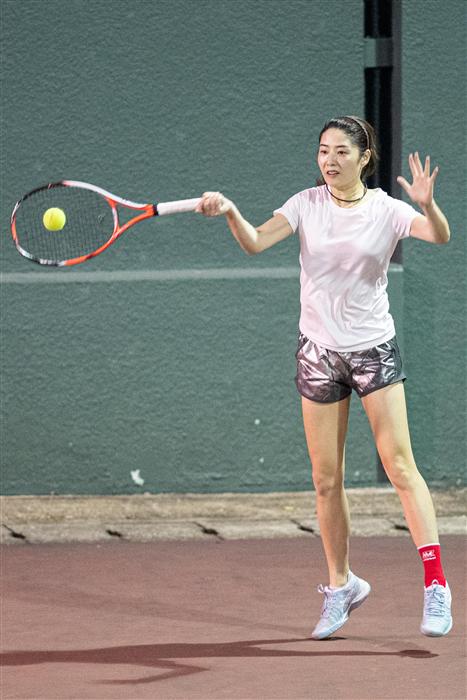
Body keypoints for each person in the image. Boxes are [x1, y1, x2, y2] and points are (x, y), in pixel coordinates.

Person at [195, 115, 452, 639]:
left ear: (364, 157)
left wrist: (427, 204)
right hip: (318, 353)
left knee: (400, 465)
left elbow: (439, 235)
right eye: (322, 151)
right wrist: (231, 212)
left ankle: (435, 584)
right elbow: (255, 242)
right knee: (326, 479)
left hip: (373, 350)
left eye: (340, 151)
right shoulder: (305, 204)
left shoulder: (386, 209)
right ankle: (342, 585)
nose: (329, 160)